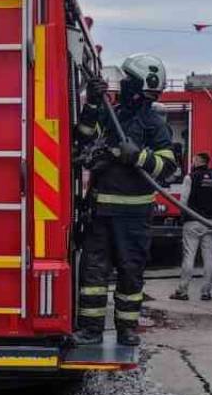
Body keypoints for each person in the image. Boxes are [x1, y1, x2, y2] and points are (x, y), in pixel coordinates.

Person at [73, 53, 177, 346]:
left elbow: (168, 166)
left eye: (128, 80)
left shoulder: (155, 124)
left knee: (130, 276)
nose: (123, 85)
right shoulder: (111, 113)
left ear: (143, 84)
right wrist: (93, 103)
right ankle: (91, 330)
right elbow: (83, 137)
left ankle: (126, 329)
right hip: (102, 211)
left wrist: (139, 156)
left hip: (135, 216)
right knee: (93, 275)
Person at [171, 153, 212, 301]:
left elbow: (184, 200)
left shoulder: (190, 177)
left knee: (189, 256)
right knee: (208, 257)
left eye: (194, 159)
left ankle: (183, 291)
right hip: (210, 222)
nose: (192, 161)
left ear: (199, 161)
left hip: (193, 221)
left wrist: (183, 217)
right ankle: (206, 292)